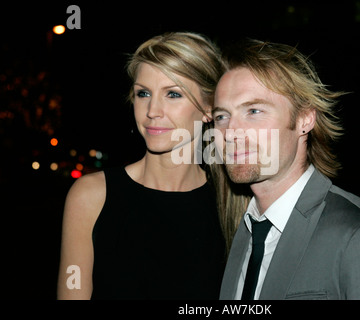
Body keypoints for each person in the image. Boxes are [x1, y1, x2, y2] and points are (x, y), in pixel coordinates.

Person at [213, 39, 360, 300]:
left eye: (254, 111)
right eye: (221, 116)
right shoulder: (245, 233)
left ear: (304, 119)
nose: (231, 132)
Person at [57, 32, 239, 299]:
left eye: (173, 94)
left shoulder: (234, 202)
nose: (152, 110)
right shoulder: (91, 196)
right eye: (143, 93)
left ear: (208, 108)